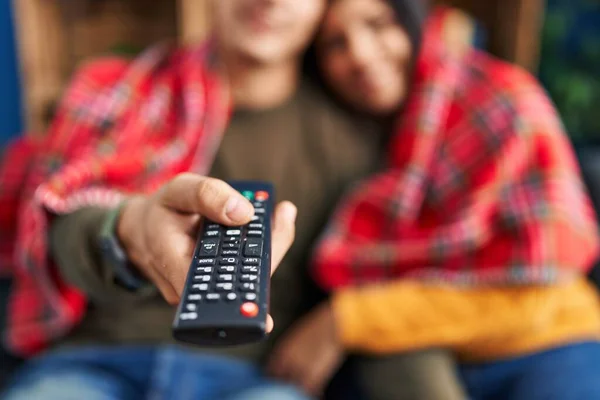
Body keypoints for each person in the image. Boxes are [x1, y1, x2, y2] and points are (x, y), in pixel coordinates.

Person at [0, 0, 466, 398]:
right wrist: (131, 230)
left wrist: (340, 322)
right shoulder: (119, 91)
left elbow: (391, 273)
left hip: (252, 377)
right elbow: (55, 227)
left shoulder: (357, 144)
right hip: (90, 364)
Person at [266, 1, 600, 400]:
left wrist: (349, 318)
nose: (360, 53)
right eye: (335, 44)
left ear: (411, 21)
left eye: (378, 24)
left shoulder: (501, 99)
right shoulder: (344, 141)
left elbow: (543, 286)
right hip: (408, 353)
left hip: (543, 339)